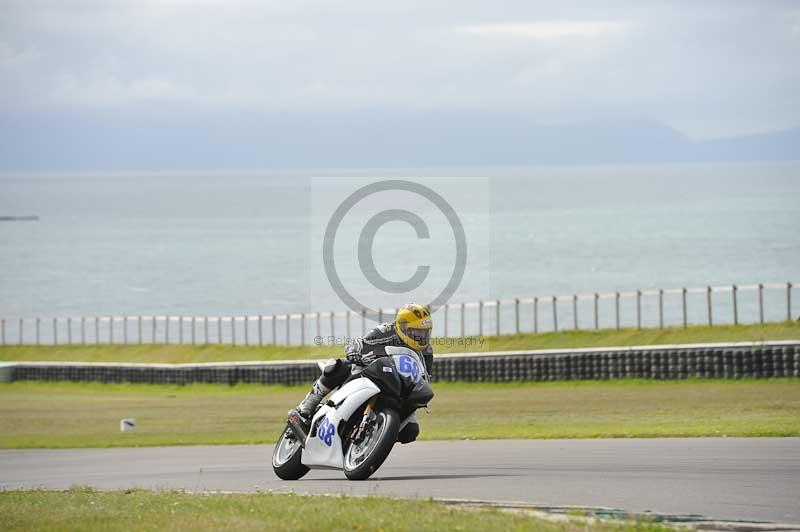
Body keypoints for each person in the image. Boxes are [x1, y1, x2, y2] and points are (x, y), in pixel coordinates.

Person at [289, 303, 433, 443]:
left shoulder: (426, 351)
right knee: (336, 367)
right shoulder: (385, 331)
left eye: (425, 332)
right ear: (402, 326)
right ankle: (306, 407)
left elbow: (424, 377)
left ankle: (376, 438)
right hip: (371, 373)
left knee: (410, 431)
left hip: (398, 386)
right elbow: (358, 344)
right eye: (416, 332)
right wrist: (356, 353)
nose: (421, 337)